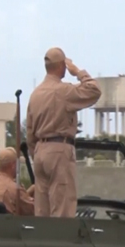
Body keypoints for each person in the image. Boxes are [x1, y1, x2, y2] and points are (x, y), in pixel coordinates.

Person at [26, 48, 101, 217]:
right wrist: (77, 72)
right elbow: (94, 91)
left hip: (39, 152)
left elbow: (30, 133)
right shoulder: (64, 91)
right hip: (59, 150)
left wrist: (37, 153)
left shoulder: (35, 94)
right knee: (62, 211)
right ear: (62, 66)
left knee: (42, 212)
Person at [0, 148, 35, 216]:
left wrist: (28, 192)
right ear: (13, 165)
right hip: (10, 225)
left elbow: (16, 199)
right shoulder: (14, 189)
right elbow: (33, 212)